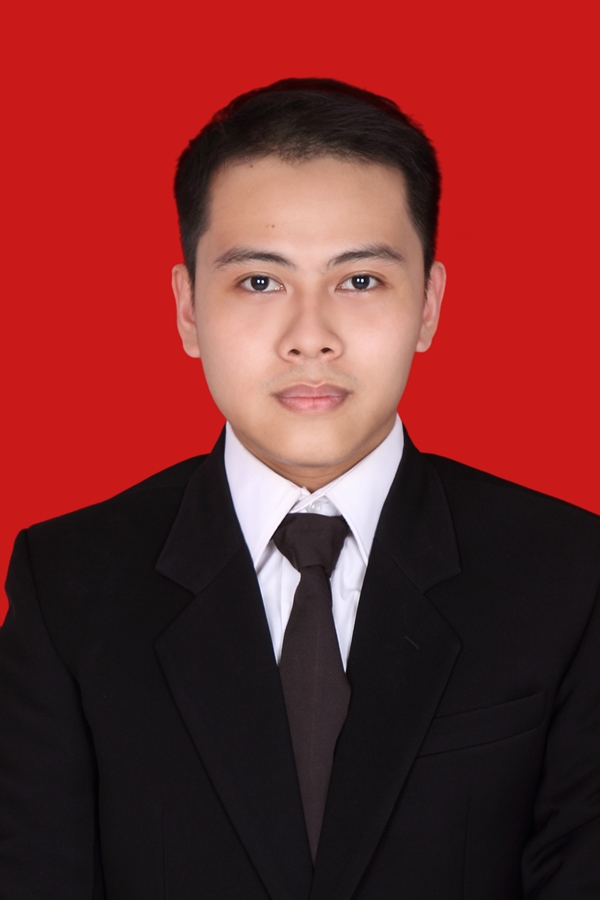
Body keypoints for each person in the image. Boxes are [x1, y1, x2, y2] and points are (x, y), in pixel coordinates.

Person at [1, 78, 599, 900]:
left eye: (360, 281)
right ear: (187, 308)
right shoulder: (69, 583)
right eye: (259, 281)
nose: (310, 338)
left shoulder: (569, 573)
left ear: (428, 305)